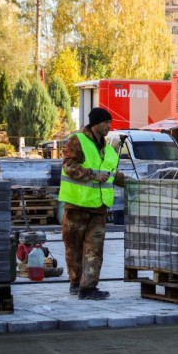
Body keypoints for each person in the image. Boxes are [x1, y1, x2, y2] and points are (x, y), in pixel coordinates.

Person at [58, 107, 126, 300]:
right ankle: (75, 282)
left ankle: (88, 288)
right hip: (77, 205)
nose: (109, 126)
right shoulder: (77, 141)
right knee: (74, 248)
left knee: (94, 250)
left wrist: (133, 183)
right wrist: (92, 175)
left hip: (98, 208)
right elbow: (68, 165)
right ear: (95, 123)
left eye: (110, 122)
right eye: (106, 122)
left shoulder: (108, 150)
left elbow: (112, 175)